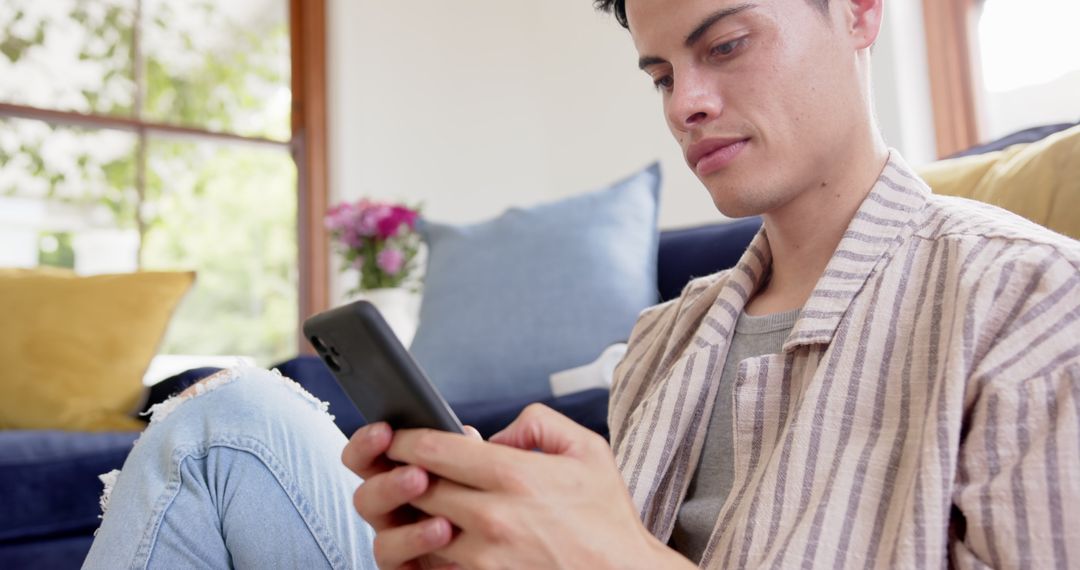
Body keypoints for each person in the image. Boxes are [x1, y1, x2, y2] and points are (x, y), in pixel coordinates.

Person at [85, 0, 1080, 567]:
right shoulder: (669, 337)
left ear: (862, 11)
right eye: (658, 73)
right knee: (230, 426)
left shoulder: (1028, 302)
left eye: (726, 44)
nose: (687, 103)